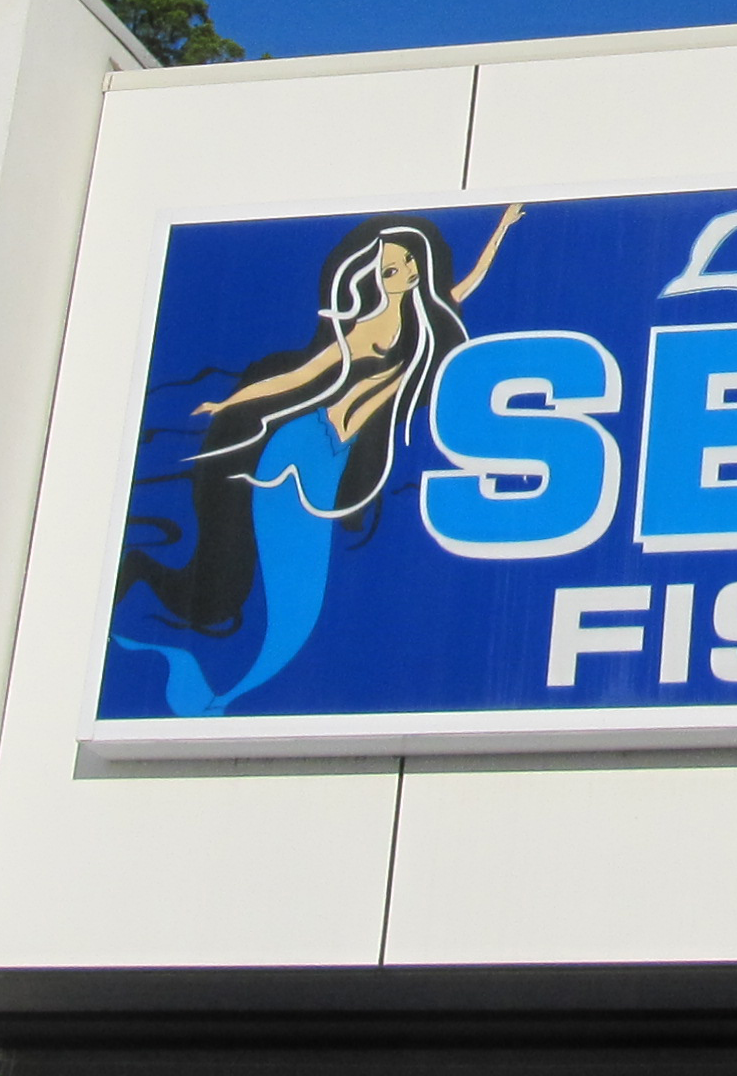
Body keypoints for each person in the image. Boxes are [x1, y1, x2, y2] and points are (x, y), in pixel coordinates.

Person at [112, 201, 523, 712]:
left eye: (403, 264)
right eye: (387, 268)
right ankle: (161, 603)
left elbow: (471, 281)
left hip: (337, 455)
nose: (398, 274)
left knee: (299, 598)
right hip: (303, 445)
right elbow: (299, 377)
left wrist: (502, 228)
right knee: (281, 588)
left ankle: (226, 695)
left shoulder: (430, 318)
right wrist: (228, 404)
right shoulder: (363, 328)